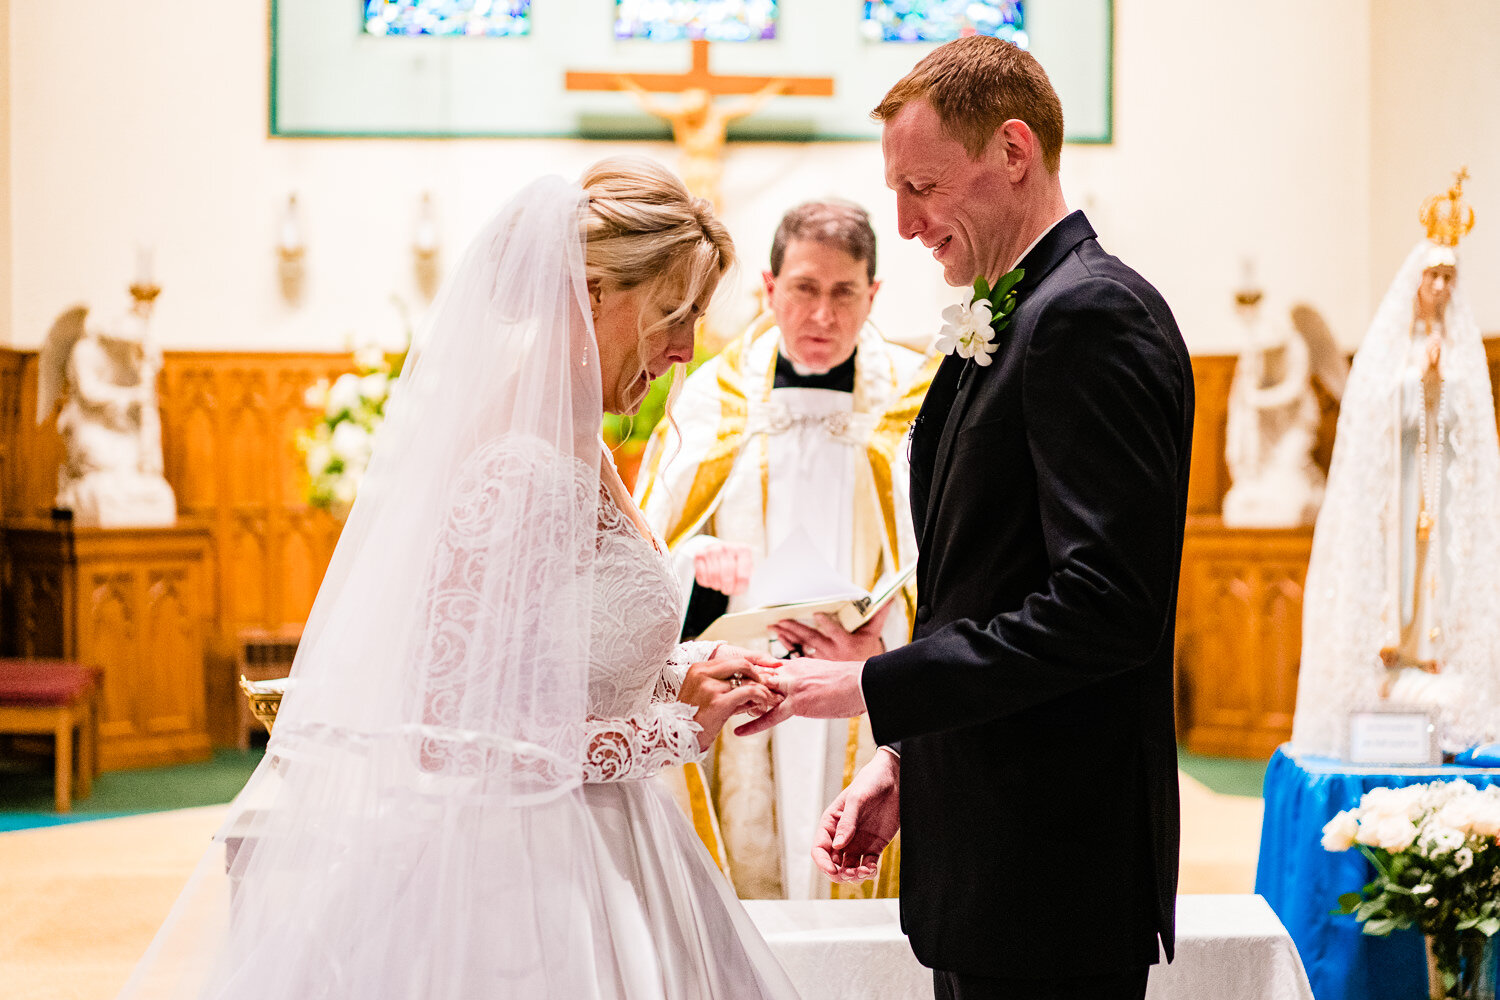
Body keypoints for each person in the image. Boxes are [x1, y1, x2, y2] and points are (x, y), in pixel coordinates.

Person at [115, 158, 801, 1000]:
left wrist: (675, 674)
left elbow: (549, 652)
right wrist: (670, 733)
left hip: (606, 841)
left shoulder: (580, 447)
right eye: (672, 313)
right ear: (590, 295)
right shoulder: (522, 467)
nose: (687, 347)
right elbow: (451, 725)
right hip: (525, 877)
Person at [740, 37, 1193, 999]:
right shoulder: (1021, 310)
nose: (903, 225)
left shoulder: (1089, 316)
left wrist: (877, 686)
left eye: (922, 186)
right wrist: (907, 758)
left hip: (1052, 871)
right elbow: (990, 586)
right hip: (992, 851)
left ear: (1014, 150)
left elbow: (1105, 606)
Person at [635, 200, 932, 900]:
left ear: (874, 295)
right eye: (803, 289)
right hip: (746, 687)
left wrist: (886, 639)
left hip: (864, 682)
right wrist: (697, 566)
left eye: (842, 293)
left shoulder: (917, 407)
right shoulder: (714, 400)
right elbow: (647, 551)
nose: (822, 316)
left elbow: (949, 561)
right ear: (769, 289)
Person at [1291, 171, 1500, 757]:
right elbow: (1376, 412)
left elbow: (1473, 425)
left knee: (1442, 560)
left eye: (1449, 277)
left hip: (1444, 482)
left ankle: (1432, 646)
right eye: (1433, 275)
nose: (1440, 285)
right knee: (1402, 559)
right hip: (1404, 479)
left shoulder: (1461, 348)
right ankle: (1397, 643)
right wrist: (1421, 381)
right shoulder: (1394, 346)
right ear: (1416, 279)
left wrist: (1446, 385)